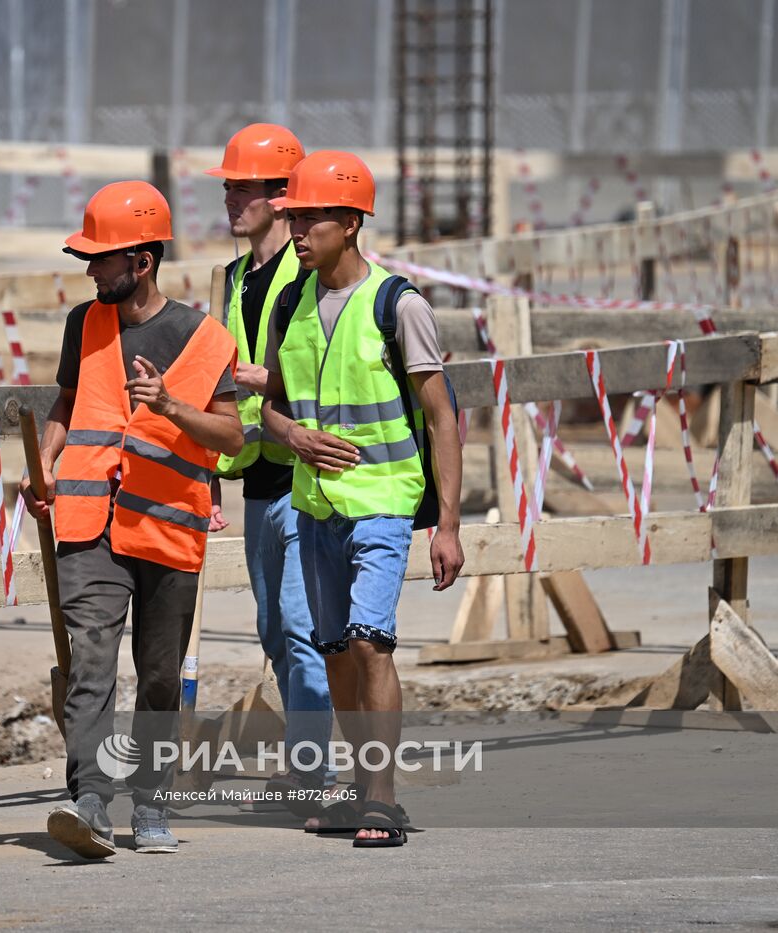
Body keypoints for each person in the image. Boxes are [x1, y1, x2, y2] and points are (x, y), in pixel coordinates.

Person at [22, 180, 242, 858]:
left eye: (101, 258)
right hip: (87, 519)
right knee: (89, 661)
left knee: (157, 675)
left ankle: (152, 803)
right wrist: (47, 463)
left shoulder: (203, 339)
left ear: (141, 261)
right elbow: (66, 405)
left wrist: (173, 406)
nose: (90, 271)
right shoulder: (82, 325)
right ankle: (89, 799)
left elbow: (231, 438)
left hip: (168, 525)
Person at [261, 151, 464, 847]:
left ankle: (381, 798)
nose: (297, 228)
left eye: (311, 216)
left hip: (383, 502)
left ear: (349, 222)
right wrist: (294, 436)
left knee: (370, 642)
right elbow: (272, 410)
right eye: (292, 215)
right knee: (335, 653)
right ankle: (356, 785)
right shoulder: (290, 301)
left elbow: (442, 418)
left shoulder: (398, 306)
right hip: (314, 506)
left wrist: (447, 525)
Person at [205, 123, 334, 806]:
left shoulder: (305, 270)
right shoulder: (231, 277)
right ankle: (310, 753)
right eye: (228, 187)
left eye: (242, 188)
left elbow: (319, 363)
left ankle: (312, 767)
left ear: (280, 195)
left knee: (298, 623)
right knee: (270, 630)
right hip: (254, 474)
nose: (231, 199)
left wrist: (271, 383)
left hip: (302, 474)